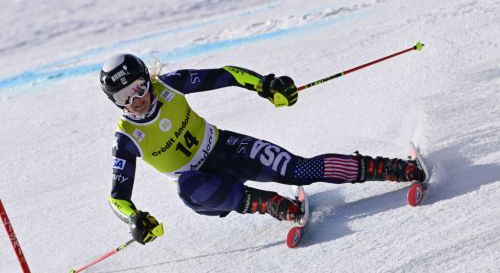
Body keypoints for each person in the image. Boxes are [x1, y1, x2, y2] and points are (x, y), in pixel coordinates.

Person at [99, 53, 425, 245]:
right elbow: (118, 197)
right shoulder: (126, 136)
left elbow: (225, 75)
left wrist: (264, 84)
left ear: (147, 80)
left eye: (138, 88)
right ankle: (269, 204)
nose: (136, 100)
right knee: (189, 190)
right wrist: (135, 219)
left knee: (298, 170)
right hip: (204, 185)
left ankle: (390, 168)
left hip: (227, 148)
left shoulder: (168, 84)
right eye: (123, 98)